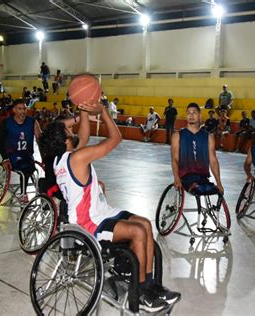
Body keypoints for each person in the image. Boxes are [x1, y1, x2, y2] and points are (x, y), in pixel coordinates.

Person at [40, 100, 180, 313]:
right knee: (138, 231)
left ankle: (151, 286)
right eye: (69, 129)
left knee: (145, 224)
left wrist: (84, 110)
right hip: (89, 224)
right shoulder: (77, 158)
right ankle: (141, 294)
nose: (73, 129)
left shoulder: (61, 160)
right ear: (65, 139)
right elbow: (116, 138)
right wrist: (103, 111)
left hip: (101, 212)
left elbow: (84, 137)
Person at [171, 102, 224, 196]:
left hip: (203, 177)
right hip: (186, 177)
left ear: (199, 115)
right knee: (197, 187)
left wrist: (219, 183)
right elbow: (175, 159)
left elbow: (213, 160)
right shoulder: (177, 135)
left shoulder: (208, 137)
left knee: (210, 189)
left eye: (194, 112)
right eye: (188, 113)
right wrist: (176, 178)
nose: (191, 115)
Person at [0, 99, 42, 203]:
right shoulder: (6, 123)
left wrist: (45, 158)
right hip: (12, 155)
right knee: (25, 168)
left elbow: (40, 141)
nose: (23, 111)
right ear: (14, 110)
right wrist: (5, 158)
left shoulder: (32, 122)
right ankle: (23, 194)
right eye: (20, 109)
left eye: (24, 109)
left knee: (30, 168)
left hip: (27, 155)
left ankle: (41, 194)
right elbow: (0, 143)